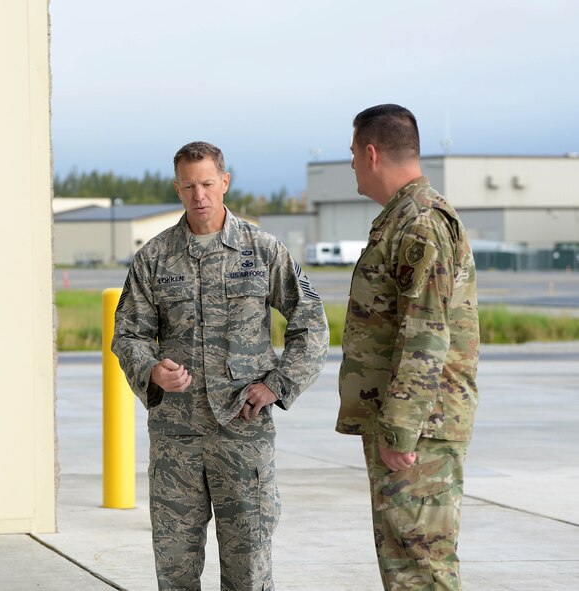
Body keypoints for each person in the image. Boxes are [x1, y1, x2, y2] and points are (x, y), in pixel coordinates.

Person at [112, 141, 329, 590]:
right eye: (189, 186)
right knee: (175, 567)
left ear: (225, 182)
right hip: (177, 438)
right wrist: (152, 370)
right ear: (177, 188)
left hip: (243, 434)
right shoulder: (154, 258)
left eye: (208, 183)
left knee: (248, 565)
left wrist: (279, 384)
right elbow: (128, 334)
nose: (200, 196)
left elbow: (311, 322)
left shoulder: (263, 250)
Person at [337, 104, 480, 590]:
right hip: (411, 423)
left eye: (353, 153)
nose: (352, 164)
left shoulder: (419, 222)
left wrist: (401, 430)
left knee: (421, 567)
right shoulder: (401, 218)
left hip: (420, 429)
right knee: (405, 561)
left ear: (371, 153)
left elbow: (426, 333)